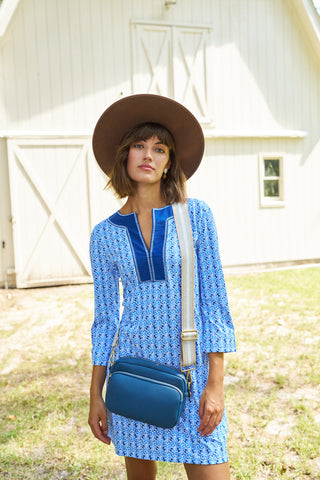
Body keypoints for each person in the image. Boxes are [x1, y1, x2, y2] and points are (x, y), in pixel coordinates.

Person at [88, 94, 236, 480]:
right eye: (139, 145)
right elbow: (105, 320)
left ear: (170, 162)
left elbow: (214, 304)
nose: (148, 155)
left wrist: (216, 385)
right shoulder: (104, 235)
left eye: (159, 148)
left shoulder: (197, 216)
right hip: (134, 375)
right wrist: (96, 395)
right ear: (125, 155)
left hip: (192, 372)